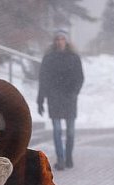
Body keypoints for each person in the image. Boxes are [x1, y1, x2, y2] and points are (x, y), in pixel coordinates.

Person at [36, 29, 84, 171]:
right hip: (54, 98)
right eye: (57, 39)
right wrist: (40, 99)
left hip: (69, 98)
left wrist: (74, 92)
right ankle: (61, 158)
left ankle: (68, 156)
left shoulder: (74, 57)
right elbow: (43, 80)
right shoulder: (49, 58)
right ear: (54, 41)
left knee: (70, 131)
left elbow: (80, 77)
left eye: (62, 39)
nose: (59, 42)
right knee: (57, 130)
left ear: (67, 41)